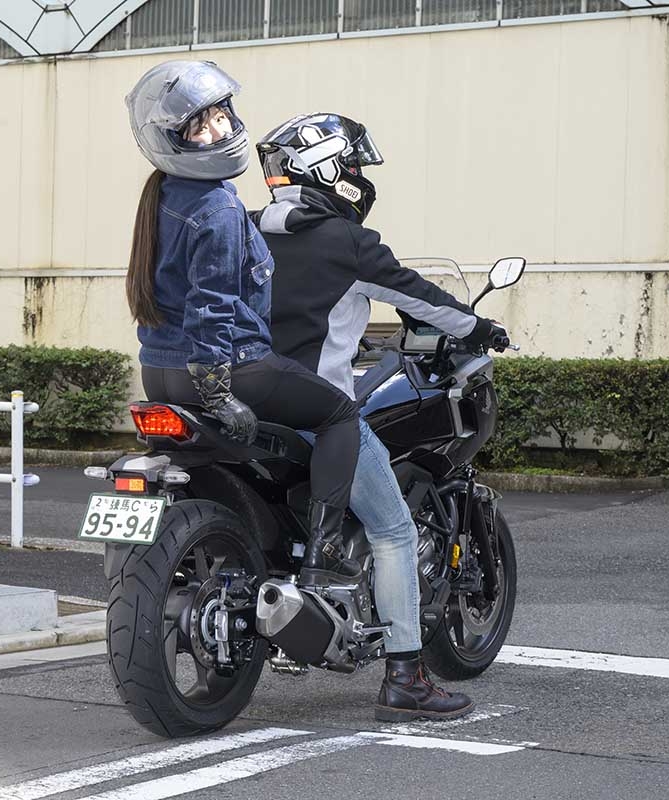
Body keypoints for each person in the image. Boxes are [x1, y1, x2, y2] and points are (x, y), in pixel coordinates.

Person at [253, 112, 507, 722]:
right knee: (393, 531)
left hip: (234, 402)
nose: (360, 178)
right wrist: (481, 327)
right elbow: (419, 296)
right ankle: (405, 677)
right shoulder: (346, 241)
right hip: (316, 409)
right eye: (356, 165)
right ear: (330, 168)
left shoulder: (240, 230)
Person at [124, 63, 362, 579]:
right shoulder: (217, 208)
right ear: (174, 141)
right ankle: (325, 551)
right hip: (230, 367)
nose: (216, 131)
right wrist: (216, 391)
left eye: (217, 116)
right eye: (196, 126)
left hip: (159, 371)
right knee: (340, 414)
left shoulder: (161, 195)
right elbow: (211, 306)